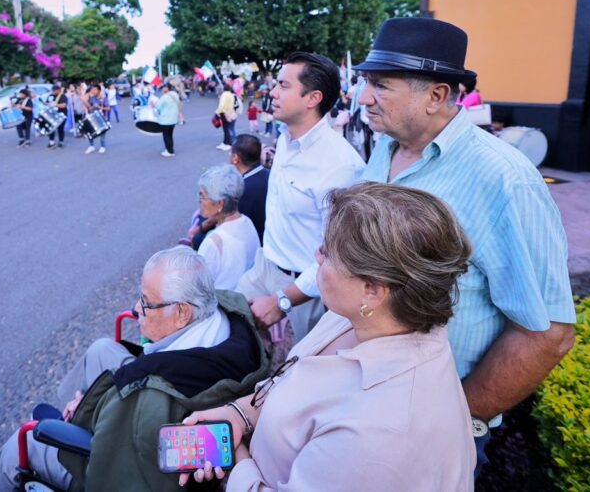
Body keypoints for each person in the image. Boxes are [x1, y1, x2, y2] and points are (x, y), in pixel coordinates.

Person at [355, 17, 576, 476]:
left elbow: (550, 332)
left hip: (434, 426)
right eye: (365, 83)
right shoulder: (385, 148)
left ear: (436, 95)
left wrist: (461, 417)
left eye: (381, 85)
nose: (364, 98)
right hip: (364, 397)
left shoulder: (504, 178)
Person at [181, 182, 476, 491]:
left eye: (330, 251)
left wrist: (233, 454)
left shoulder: (379, 436)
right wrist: (238, 415)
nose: (317, 255)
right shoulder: (358, 318)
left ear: (373, 290)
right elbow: (288, 383)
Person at [0, 246, 270, 492]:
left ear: (183, 312)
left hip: (127, 439)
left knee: (16, 445)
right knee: (101, 349)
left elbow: (113, 473)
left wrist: (94, 420)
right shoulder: (231, 318)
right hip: (178, 393)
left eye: (146, 303)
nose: (136, 309)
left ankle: (76, 420)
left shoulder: (144, 396)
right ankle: (75, 411)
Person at [238, 52, 366, 342]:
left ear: (313, 99)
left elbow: (337, 254)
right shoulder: (285, 138)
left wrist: (284, 300)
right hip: (265, 265)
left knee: (297, 370)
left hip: (305, 290)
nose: (272, 92)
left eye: (283, 85)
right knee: (228, 330)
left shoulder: (340, 166)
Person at [196, 165, 261, 290]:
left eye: (202, 195)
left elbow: (200, 289)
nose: (200, 200)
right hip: (244, 298)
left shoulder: (213, 242)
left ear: (220, 203)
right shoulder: (247, 222)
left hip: (222, 305)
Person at [230, 134, 268, 244]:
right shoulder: (271, 175)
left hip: (253, 241)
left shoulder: (241, 189)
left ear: (235, 158)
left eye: (230, 153)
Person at [154, 81, 180, 157]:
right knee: (170, 135)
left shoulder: (164, 97)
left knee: (166, 136)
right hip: (173, 119)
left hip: (165, 120)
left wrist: (153, 104)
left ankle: (170, 152)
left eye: (163, 88)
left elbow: (158, 107)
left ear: (166, 88)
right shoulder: (175, 94)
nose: (162, 89)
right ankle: (170, 149)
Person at [84, 85, 107, 154]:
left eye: (95, 90)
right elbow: (89, 108)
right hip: (92, 117)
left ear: (99, 90)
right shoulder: (91, 99)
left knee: (102, 132)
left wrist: (100, 107)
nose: (93, 91)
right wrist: (89, 107)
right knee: (90, 132)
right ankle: (91, 146)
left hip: (101, 117)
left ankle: (103, 147)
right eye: (92, 90)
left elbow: (108, 108)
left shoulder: (103, 99)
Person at [45, 83, 68, 149]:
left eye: (54, 90)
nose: (53, 92)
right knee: (51, 128)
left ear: (58, 90)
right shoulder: (50, 96)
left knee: (60, 128)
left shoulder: (63, 96)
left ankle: (61, 142)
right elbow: (47, 103)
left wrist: (55, 105)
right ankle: (51, 142)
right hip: (52, 114)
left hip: (61, 114)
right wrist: (46, 104)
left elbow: (64, 105)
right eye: (53, 90)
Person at [215, 84, 238, 150]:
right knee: (227, 129)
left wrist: (217, 112)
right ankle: (225, 142)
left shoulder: (224, 95)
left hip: (225, 113)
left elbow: (221, 106)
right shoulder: (231, 94)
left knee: (226, 129)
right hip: (231, 112)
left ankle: (228, 143)